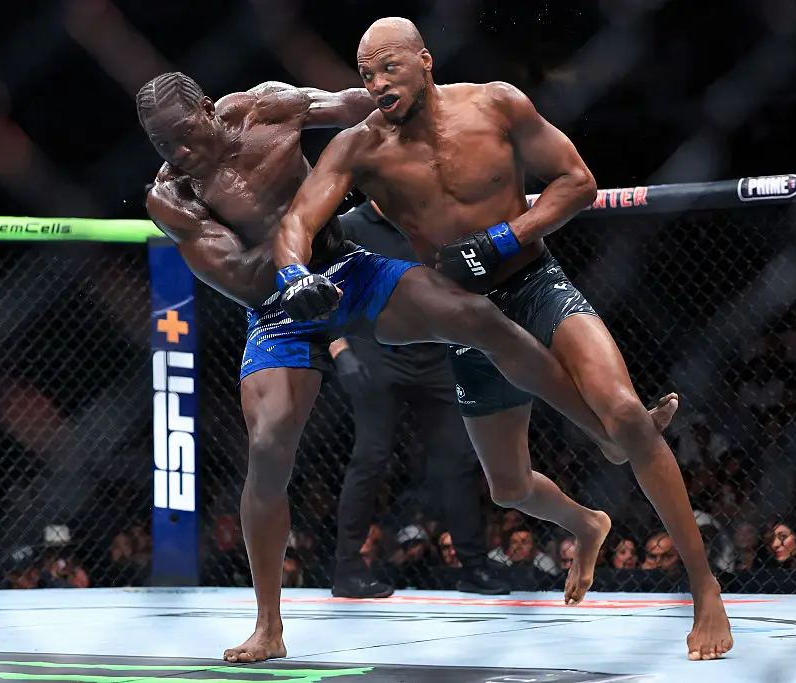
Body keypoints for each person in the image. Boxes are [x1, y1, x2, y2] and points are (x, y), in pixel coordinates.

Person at [139, 72, 663, 664]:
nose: (179, 154)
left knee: (478, 317)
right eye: (163, 146)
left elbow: (371, 106)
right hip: (277, 306)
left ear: (208, 109)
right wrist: (292, 272)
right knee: (267, 446)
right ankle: (268, 626)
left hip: (349, 269)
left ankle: (605, 434)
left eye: (184, 136)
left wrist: (423, 104)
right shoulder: (171, 196)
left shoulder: (266, 109)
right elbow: (237, 276)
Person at [272, 16, 731, 661]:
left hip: (534, 281)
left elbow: (578, 182)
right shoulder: (360, 147)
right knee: (509, 488)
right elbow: (297, 217)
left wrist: (506, 237)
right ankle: (584, 521)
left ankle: (704, 587)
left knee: (625, 412)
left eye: (388, 67)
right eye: (366, 72)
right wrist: (294, 272)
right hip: (464, 314)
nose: (376, 82)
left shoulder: (497, 103)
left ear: (424, 61)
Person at [328, 199, 508, 598]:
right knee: (371, 456)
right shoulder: (351, 226)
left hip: (436, 352)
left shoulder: (430, 214)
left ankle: (473, 567)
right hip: (377, 352)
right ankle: (347, 569)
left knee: (459, 458)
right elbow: (320, 288)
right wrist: (340, 351)